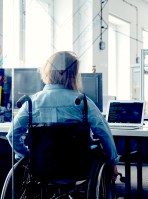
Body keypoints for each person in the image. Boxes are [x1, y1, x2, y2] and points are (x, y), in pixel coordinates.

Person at [6, 51, 119, 181]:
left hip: (41, 166)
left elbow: (12, 135)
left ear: (47, 72)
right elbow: (103, 132)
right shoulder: (83, 102)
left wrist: (27, 155)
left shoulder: (32, 103)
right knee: (97, 149)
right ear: (74, 75)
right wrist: (113, 161)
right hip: (77, 166)